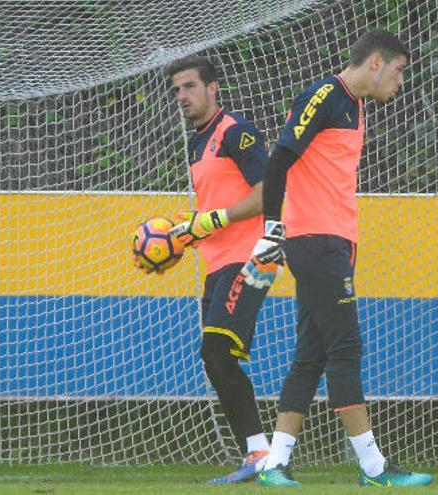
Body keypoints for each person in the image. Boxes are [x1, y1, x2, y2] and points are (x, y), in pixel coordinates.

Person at [240, 30, 433, 487]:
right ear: (376, 62)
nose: (401, 81)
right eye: (400, 70)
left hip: (334, 243)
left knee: (311, 353)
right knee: (346, 348)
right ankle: (374, 467)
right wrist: (272, 228)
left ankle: (275, 463)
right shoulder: (325, 95)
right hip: (315, 242)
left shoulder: (356, 105)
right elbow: (280, 158)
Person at [161, 55, 277, 484]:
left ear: (214, 88)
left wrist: (214, 220)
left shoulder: (238, 133)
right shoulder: (197, 142)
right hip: (219, 261)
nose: (182, 96)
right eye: (177, 90)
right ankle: (260, 453)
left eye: (190, 86)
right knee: (217, 360)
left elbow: (268, 193)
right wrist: (181, 238)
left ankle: (265, 453)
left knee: (215, 351)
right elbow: (212, 212)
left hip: (254, 255)